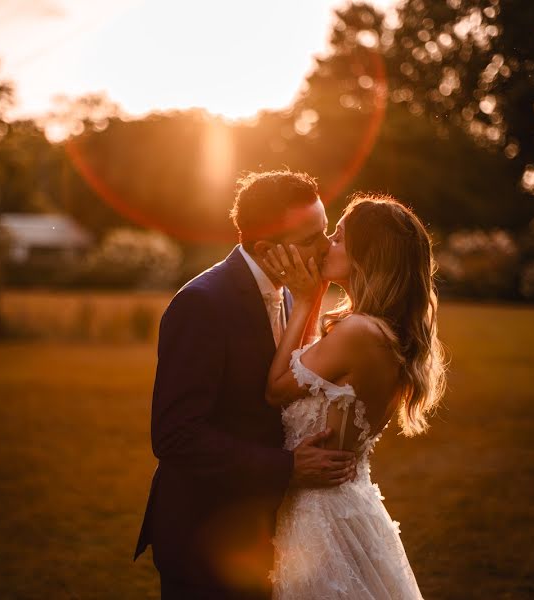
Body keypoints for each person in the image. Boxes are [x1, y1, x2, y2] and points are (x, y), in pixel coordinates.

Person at [134, 170, 357, 599]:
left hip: (263, 533)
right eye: (313, 237)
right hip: (203, 533)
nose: (328, 246)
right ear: (267, 250)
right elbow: (175, 435)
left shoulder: (295, 292)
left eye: (327, 232)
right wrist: (288, 467)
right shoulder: (202, 304)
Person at [263, 193, 446, 599]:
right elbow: (309, 367)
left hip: (320, 518)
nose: (327, 243)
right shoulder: (378, 330)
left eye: (340, 237)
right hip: (346, 507)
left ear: (369, 256)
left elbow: (277, 388)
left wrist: (307, 299)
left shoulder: (358, 333)